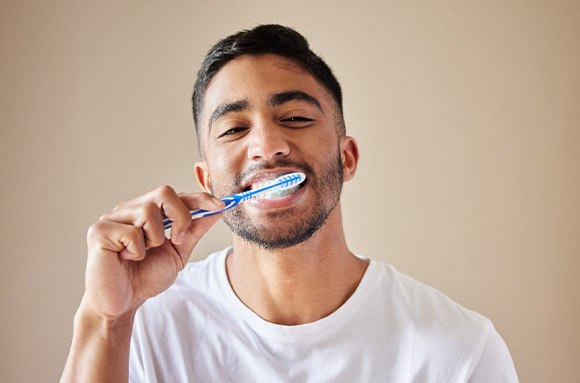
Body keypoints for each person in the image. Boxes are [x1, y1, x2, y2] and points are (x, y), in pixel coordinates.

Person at [61, 24, 518, 382]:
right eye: (234, 129)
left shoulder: (460, 353)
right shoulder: (142, 329)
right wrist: (105, 320)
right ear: (207, 180)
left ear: (347, 157)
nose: (267, 144)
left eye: (295, 118)